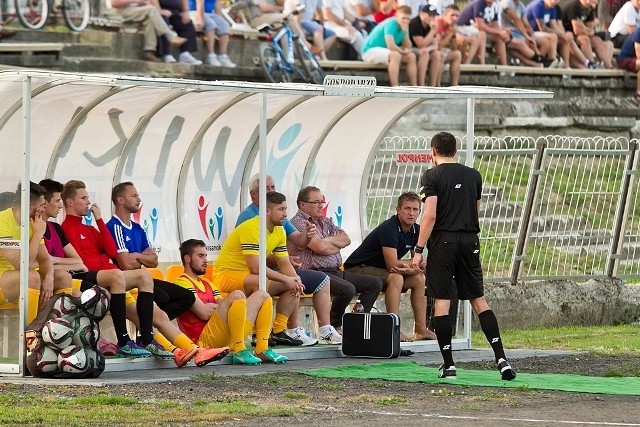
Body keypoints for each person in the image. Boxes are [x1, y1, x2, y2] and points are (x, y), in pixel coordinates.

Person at [410, 132, 516, 381]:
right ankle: (501, 359)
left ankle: (448, 365)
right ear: (455, 151)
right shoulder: (473, 175)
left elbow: (430, 215)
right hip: (470, 240)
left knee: (442, 302)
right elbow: (475, 209)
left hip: (444, 241)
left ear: (432, 151)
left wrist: (418, 249)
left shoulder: (431, 175)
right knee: (479, 300)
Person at [236, 174, 340, 346]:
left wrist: (308, 236)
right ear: (253, 194)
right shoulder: (249, 219)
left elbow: (298, 241)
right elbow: (254, 261)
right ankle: (283, 330)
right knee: (291, 282)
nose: (271, 192)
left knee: (306, 281)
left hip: (268, 270)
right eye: (265, 189)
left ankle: (320, 329)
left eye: (272, 188)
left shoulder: (278, 221)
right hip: (247, 273)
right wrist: (286, 273)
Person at [60, 179, 157, 358]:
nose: (89, 202)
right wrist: (103, 258)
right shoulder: (66, 228)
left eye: (88, 198)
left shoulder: (89, 228)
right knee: (116, 275)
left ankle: (147, 339)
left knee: (144, 276)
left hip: (107, 273)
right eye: (84, 198)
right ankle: (123, 341)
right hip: (85, 276)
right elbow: (82, 263)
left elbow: (111, 251)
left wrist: (99, 220)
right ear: (70, 202)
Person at [214, 191, 306, 346]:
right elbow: (256, 268)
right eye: (281, 209)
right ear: (267, 211)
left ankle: (278, 331)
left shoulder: (279, 230)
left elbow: (284, 263)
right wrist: (286, 279)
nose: (285, 214)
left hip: (250, 277)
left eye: (285, 209)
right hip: (225, 275)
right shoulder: (251, 228)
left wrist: (295, 280)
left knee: (294, 284)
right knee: (260, 283)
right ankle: (258, 335)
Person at [175, 239, 288, 364]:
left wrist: (214, 307)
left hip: (226, 336)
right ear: (187, 258)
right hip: (202, 343)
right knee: (237, 295)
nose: (206, 260)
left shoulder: (208, 284)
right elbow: (203, 313)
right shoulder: (182, 282)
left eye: (206, 256)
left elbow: (218, 307)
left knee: (263, 295)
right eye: (200, 256)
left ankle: (262, 349)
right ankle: (239, 350)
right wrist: (220, 307)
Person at [288, 186, 383, 334]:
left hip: (336, 270)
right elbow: (320, 247)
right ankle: (334, 326)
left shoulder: (325, 220)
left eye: (322, 201)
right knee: (347, 289)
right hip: (314, 273)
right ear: (302, 204)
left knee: (375, 283)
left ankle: (356, 324)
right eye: (316, 202)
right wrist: (331, 244)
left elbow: (346, 239)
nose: (321, 205)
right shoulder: (298, 222)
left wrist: (326, 242)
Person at [344, 192, 437, 342]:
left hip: (381, 271)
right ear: (398, 210)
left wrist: (413, 268)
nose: (411, 213)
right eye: (407, 208)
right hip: (357, 269)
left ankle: (420, 329)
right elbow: (393, 264)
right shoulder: (389, 228)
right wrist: (414, 263)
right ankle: (394, 328)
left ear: (420, 212)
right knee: (396, 278)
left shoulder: (417, 230)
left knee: (419, 278)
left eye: (415, 209)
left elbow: (419, 263)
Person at [0, 182, 77, 325]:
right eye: (42, 205)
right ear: (29, 206)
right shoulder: (2, 222)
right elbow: (23, 264)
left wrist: (48, 277)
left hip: (17, 277)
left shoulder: (31, 221)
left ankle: (61, 333)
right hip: (3, 278)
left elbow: (45, 260)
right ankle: (30, 334)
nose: (44, 208)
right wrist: (37, 234)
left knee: (62, 277)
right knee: (32, 277)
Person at [109, 0, 188, 62]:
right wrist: (137, 1)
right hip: (119, 11)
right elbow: (114, 3)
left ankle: (148, 51)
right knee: (151, 9)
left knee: (150, 20)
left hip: (135, 11)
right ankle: (170, 36)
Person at [361, 5, 418, 86]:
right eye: (403, 18)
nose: (405, 21)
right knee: (395, 55)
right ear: (397, 16)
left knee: (411, 56)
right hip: (368, 51)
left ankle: (414, 88)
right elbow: (391, 46)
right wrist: (403, 51)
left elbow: (408, 47)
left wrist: (405, 32)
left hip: (384, 51)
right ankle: (395, 88)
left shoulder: (405, 27)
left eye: (408, 19)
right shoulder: (391, 23)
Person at [526, 0, 589, 69]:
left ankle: (566, 66)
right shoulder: (538, 5)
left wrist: (564, 34)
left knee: (565, 39)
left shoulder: (552, 8)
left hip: (542, 34)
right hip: (531, 33)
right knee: (553, 37)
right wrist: (562, 34)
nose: (553, 1)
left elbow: (554, 26)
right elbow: (542, 28)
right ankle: (553, 62)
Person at [501, 0, 559, 67]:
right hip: (507, 32)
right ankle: (540, 61)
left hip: (517, 32)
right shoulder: (507, 3)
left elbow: (526, 24)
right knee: (520, 44)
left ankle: (542, 63)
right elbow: (517, 20)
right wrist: (526, 36)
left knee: (544, 42)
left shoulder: (521, 6)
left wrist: (532, 35)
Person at [561, 0, 614, 69]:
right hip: (568, 35)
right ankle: (591, 64)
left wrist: (586, 29)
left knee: (597, 40)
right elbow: (577, 30)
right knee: (584, 39)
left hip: (580, 34)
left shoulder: (589, 8)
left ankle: (608, 67)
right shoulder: (574, 6)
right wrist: (588, 30)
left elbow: (590, 26)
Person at [457, 0, 508, 66]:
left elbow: (495, 25)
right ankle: (481, 64)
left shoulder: (495, 6)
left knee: (499, 37)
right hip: (463, 27)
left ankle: (504, 66)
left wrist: (502, 33)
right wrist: (499, 32)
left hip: (474, 29)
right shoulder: (479, 3)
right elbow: (480, 26)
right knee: (482, 33)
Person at [189, 0, 237, 66]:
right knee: (211, 24)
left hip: (210, 14)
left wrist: (220, 22)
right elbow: (199, 3)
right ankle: (211, 55)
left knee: (224, 25)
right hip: (195, 12)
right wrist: (200, 19)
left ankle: (223, 56)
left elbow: (217, 6)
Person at [156, 0, 203, 64]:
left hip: (175, 12)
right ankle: (165, 54)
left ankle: (185, 54)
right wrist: (160, 11)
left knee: (187, 23)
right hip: (161, 11)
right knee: (163, 21)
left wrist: (185, 11)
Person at [408, 4, 443, 87]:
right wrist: (433, 30)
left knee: (436, 54)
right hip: (410, 49)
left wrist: (428, 49)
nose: (432, 18)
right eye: (430, 15)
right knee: (425, 54)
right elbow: (420, 45)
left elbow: (435, 46)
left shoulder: (431, 25)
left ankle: (433, 87)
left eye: (434, 16)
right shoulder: (414, 23)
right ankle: (421, 86)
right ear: (421, 13)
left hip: (423, 50)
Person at [434, 4, 462, 85]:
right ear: (445, 15)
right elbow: (438, 46)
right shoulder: (438, 23)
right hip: (432, 51)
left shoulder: (451, 26)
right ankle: (437, 86)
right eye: (452, 15)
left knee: (457, 54)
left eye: (457, 16)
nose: (455, 18)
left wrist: (454, 35)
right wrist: (450, 34)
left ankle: (454, 86)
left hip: (441, 51)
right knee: (440, 54)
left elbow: (454, 48)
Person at [616, 27, 640, 98]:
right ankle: (639, 93)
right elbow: (639, 55)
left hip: (636, 60)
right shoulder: (638, 32)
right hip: (624, 60)